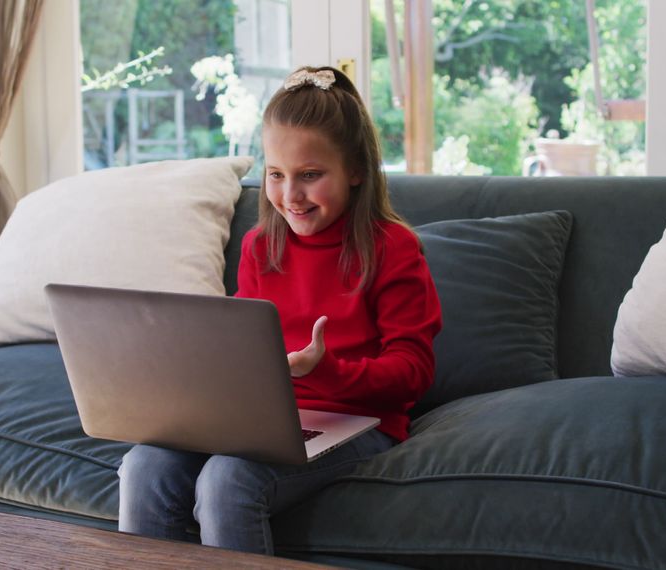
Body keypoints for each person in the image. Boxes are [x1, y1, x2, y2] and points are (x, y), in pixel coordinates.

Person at [117, 66, 442, 555]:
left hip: (359, 422)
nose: (290, 195)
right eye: (276, 175)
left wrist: (325, 369)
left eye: (310, 175)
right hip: (265, 420)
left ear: (355, 169)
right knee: (145, 466)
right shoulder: (259, 246)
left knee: (228, 481)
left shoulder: (393, 248)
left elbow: (413, 372)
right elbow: (244, 350)